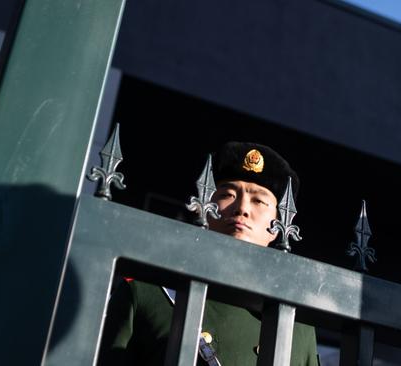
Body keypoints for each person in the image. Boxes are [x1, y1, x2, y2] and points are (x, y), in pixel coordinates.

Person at [100, 142, 319, 365]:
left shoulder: (296, 325)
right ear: (204, 205)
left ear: (280, 225)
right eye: (228, 194)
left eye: (259, 200)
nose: (242, 208)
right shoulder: (149, 293)